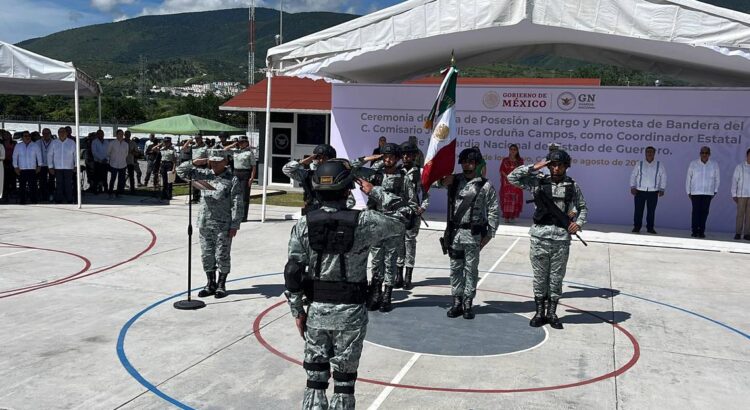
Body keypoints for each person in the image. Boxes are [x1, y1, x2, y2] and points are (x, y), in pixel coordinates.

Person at [283, 159, 404, 410]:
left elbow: (293, 271)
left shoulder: (304, 224)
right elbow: (405, 217)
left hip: (317, 311)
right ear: (348, 189)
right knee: (344, 383)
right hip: (351, 313)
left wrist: (298, 312)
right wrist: (375, 191)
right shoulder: (365, 222)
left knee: (315, 380)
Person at [508, 149, 588, 330]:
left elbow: (583, 207)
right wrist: (535, 166)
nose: (556, 168)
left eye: (560, 165)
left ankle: (552, 313)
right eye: (552, 164)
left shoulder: (572, 186)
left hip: (561, 239)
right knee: (539, 278)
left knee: (556, 278)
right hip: (539, 237)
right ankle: (539, 312)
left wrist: (579, 223)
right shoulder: (538, 182)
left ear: (566, 166)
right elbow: (512, 178)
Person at [433, 147, 499, 319]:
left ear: (476, 164)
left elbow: (493, 210)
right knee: (455, 269)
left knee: (471, 270)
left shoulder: (485, 186)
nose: (467, 165)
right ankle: (456, 301)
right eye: (464, 162)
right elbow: (431, 182)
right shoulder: (453, 181)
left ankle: (468, 302)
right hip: (455, 234)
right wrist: (442, 179)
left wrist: (489, 234)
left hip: (473, 234)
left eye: (471, 162)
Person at [353, 143, 417, 312]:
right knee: (376, 260)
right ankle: (376, 292)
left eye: (391, 157)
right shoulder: (375, 175)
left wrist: (400, 217)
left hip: (393, 224)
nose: (388, 160)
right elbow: (352, 169)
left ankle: (387, 294)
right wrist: (369, 159)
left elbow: (411, 204)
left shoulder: (404, 178)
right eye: (385, 156)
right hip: (375, 223)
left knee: (390, 260)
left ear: (397, 159)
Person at [177, 149, 243, 299]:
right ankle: (210, 283)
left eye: (218, 161)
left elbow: (237, 203)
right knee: (207, 255)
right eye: (212, 161)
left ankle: (221, 285)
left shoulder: (232, 180)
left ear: (225, 162)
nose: (214, 164)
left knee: (222, 256)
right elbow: (180, 172)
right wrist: (194, 162)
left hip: (223, 225)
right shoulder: (204, 175)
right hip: (205, 222)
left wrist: (235, 224)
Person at [283, 144, 354, 214]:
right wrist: (302, 161)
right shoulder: (308, 174)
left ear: (332, 159)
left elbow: (351, 201)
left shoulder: (340, 175)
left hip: (334, 213)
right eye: (318, 157)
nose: (321, 160)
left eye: (325, 158)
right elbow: (286, 170)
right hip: (312, 213)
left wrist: (333, 208)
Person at [398, 141, 429, 290]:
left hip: (413, 213)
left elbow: (426, 192)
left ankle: (408, 275)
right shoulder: (397, 171)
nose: (405, 157)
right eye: (403, 154)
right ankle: (398, 274)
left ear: (414, 156)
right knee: (398, 242)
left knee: (410, 242)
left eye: (409, 154)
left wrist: (422, 207)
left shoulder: (420, 172)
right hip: (397, 213)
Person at [629, 146, 667, 234]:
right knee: (638, 210)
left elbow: (664, 176)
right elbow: (633, 175)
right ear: (645, 153)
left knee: (651, 211)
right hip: (640, 191)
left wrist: (662, 188)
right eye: (648, 152)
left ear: (654, 153)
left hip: (653, 192)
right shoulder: (640, 163)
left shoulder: (659, 164)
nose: (649, 153)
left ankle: (650, 228)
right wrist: (632, 186)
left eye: (651, 152)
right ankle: (636, 227)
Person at [686, 146, 720, 238]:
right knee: (695, 212)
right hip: (695, 192)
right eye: (703, 153)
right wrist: (688, 191)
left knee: (704, 212)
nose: (704, 155)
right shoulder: (693, 164)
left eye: (706, 153)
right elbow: (688, 178)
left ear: (709, 154)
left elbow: (717, 179)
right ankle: (694, 230)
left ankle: (701, 231)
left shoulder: (714, 164)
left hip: (708, 192)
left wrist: (715, 190)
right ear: (700, 153)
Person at [225, 136, 256, 222]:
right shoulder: (235, 151)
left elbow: (253, 166)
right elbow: (224, 150)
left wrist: (252, 178)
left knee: (244, 196)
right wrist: (233, 144)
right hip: (236, 173)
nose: (241, 144)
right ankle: (234, 215)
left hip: (245, 173)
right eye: (240, 142)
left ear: (247, 142)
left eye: (243, 142)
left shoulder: (249, 153)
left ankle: (243, 216)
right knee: (233, 194)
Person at [48, 127, 77, 204]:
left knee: (68, 184)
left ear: (66, 133)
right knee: (59, 184)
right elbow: (49, 155)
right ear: (58, 133)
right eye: (60, 132)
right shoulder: (54, 142)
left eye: (63, 132)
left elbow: (76, 155)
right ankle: (58, 199)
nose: (62, 133)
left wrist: (76, 165)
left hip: (69, 167)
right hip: (57, 167)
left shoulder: (72, 142)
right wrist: (50, 166)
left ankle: (69, 199)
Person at [12, 131, 42, 204]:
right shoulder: (18, 146)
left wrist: (39, 166)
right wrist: (15, 167)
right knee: (22, 186)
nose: (27, 137)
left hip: (32, 169)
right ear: (22, 137)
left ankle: (34, 200)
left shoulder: (35, 145)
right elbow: (15, 156)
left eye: (28, 136)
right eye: (25, 136)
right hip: (22, 169)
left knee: (33, 186)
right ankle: (22, 200)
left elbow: (39, 156)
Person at [499, 144, 525, 223]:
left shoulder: (520, 161)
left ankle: (513, 216)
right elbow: (501, 170)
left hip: (516, 183)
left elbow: (522, 171)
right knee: (507, 199)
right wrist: (508, 177)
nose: (513, 151)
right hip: (507, 183)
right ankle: (506, 217)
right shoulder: (505, 160)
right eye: (511, 149)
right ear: (509, 150)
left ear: (517, 151)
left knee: (515, 199)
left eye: (514, 149)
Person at [731, 148, 750, 240]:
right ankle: (738, 233)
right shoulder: (740, 167)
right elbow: (735, 180)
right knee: (740, 215)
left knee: (749, 216)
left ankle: (747, 234)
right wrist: (734, 194)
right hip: (742, 194)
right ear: (747, 156)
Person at [182, 134, 208, 202]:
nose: (197, 140)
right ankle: (195, 198)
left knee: (201, 183)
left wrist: (201, 160)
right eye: (196, 138)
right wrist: (189, 141)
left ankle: (201, 197)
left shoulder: (205, 147)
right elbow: (184, 149)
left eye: (198, 138)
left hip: (202, 166)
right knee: (194, 183)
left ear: (201, 138)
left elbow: (208, 157)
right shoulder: (193, 146)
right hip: (194, 166)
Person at [107, 129, 129, 198]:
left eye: (122, 134)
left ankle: (119, 193)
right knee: (112, 179)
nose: (121, 135)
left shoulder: (126, 144)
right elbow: (108, 153)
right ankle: (110, 192)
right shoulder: (112, 143)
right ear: (116, 135)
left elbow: (126, 154)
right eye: (119, 134)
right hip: (114, 164)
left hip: (122, 164)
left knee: (121, 180)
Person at [36, 128, 54, 202]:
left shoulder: (54, 142)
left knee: (51, 180)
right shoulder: (38, 142)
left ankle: (51, 194)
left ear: (50, 134)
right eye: (44, 133)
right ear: (42, 134)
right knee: (42, 181)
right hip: (42, 165)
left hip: (52, 165)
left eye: (47, 133)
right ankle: (43, 195)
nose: (46, 135)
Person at [91, 130, 109, 194]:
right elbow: (94, 152)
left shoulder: (106, 142)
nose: (101, 135)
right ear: (97, 135)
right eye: (99, 134)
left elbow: (109, 151)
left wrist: (106, 159)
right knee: (97, 177)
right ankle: (96, 190)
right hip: (98, 162)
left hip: (105, 162)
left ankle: (106, 189)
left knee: (105, 177)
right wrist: (101, 159)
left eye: (102, 134)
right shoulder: (94, 142)